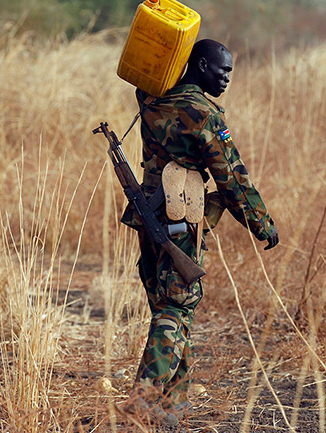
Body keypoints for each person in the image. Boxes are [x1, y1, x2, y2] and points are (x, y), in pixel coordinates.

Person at [120, 35, 279, 426]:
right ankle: (144, 400)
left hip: (149, 215)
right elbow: (232, 179)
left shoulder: (152, 99)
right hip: (181, 217)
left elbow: (145, 72)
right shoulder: (204, 115)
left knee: (171, 308)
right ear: (202, 66)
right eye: (222, 71)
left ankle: (172, 406)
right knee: (176, 308)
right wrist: (261, 223)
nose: (227, 79)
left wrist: (157, 18)